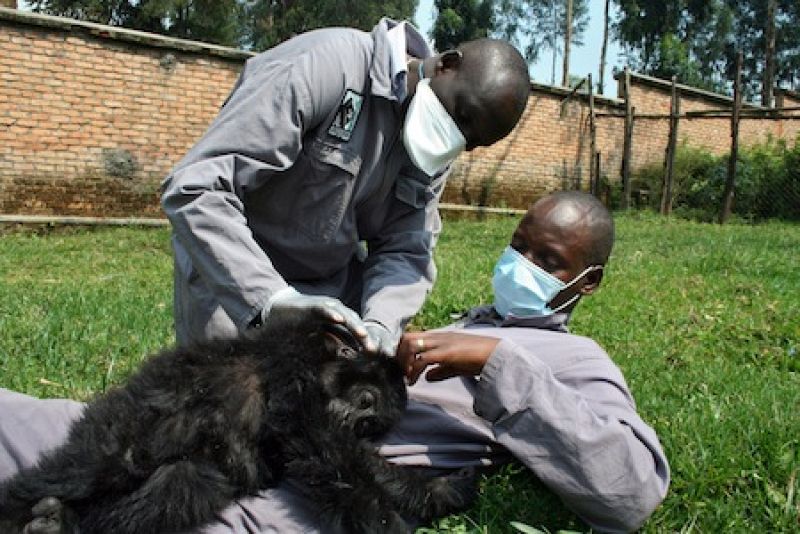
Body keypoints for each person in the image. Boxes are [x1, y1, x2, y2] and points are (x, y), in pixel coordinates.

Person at [0, 191, 669, 533]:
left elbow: (631, 491)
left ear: (587, 282)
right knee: (36, 428)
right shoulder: (463, 318)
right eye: (518, 245)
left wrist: (498, 361)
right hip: (230, 423)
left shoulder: (578, 358)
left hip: (299, 491)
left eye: (548, 260)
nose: (521, 265)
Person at [159, 18, 531, 355]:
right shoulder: (325, 65)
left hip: (331, 288)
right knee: (232, 409)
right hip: (238, 276)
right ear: (445, 64)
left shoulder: (434, 145)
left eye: (471, 141)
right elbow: (198, 187)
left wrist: (380, 323)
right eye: (461, 115)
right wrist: (269, 299)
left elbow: (405, 246)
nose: (455, 138)